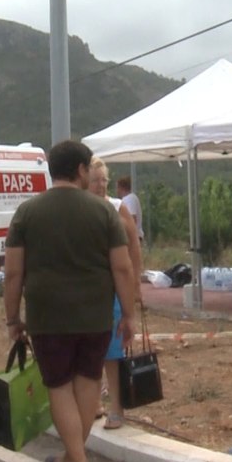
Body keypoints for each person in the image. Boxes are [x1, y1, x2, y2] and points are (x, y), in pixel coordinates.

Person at [4, 141, 137, 462]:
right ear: (80, 169)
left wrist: (12, 318)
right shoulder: (104, 212)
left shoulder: (27, 213)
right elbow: (122, 268)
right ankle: (75, 461)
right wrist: (128, 314)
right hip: (95, 315)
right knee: (89, 382)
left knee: (59, 386)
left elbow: (14, 272)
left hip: (47, 317)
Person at [87, 156, 144, 430]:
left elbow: (133, 247)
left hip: (113, 289)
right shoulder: (81, 207)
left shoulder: (117, 207)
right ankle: (95, 402)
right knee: (90, 350)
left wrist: (135, 286)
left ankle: (117, 407)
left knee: (113, 350)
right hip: (88, 290)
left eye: (104, 180)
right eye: (95, 180)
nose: (100, 185)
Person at [116, 176, 144, 242]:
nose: (116, 190)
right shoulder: (127, 199)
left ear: (122, 188)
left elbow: (132, 219)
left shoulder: (130, 199)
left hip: (132, 237)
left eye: (117, 187)